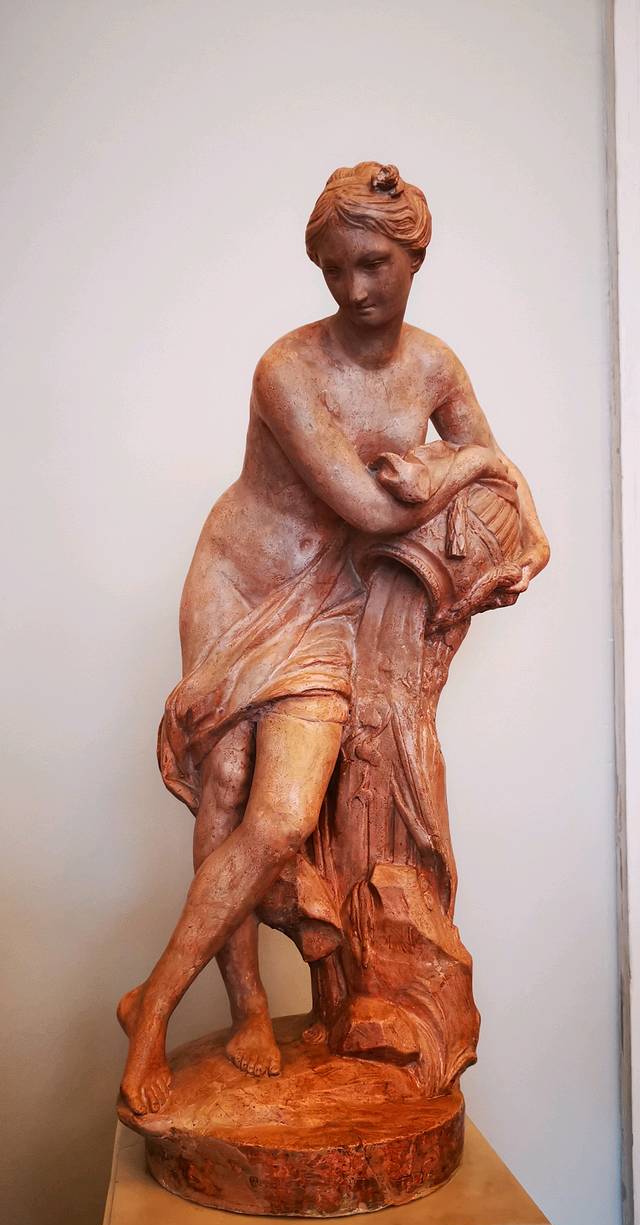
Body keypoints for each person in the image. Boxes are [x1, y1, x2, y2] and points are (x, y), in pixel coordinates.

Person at [118, 161, 549, 1116]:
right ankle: (238, 1008)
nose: (355, 289)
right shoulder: (286, 369)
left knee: (279, 819)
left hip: (329, 605)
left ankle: (148, 998)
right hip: (239, 584)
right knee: (226, 788)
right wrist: (459, 469)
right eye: (334, 269)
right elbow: (370, 506)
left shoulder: (434, 366)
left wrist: (464, 463)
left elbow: (501, 480)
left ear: (415, 257)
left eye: (373, 264)